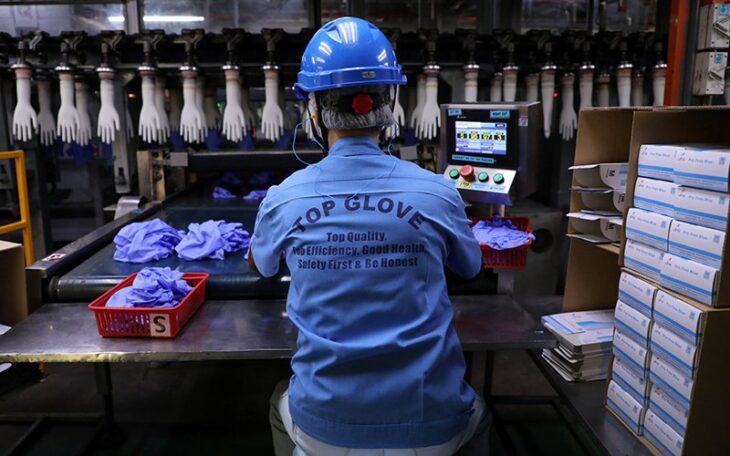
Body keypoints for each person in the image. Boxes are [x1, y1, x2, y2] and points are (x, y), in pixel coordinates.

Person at [248, 17, 490, 456]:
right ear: (389, 102)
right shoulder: (437, 192)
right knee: (482, 414)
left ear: (314, 110)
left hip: (326, 428)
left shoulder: (284, 198)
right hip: (432, 426)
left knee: (279, 401)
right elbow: (470, 267)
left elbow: (261, 267)